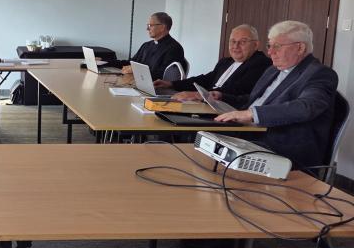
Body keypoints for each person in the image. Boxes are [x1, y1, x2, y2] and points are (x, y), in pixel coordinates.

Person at [214, 20, 338, 170]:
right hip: (249, 133)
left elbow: (306, 107)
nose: (270, 52)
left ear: (300, 48)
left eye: (277, 46)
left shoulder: (320, 74)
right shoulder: (273, 69)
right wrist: (222, 97)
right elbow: (256, 100)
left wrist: (252, 114)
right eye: (269, 46)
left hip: (281, 148)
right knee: (201, 134)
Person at [153, 24, 271, 101]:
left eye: (243, 42)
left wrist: (198, 95)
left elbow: (237, 90)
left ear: (256, 45)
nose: (236, 46)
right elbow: (205, 79)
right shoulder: (225, 61)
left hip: (226, 109)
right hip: (206, 103)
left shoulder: (261, 63)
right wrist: (172, 84)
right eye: (233, 41)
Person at [109, 12, 187, 80]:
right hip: (137, 82)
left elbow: (163, 75)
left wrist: (136, 70)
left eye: (150, 25)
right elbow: (131, 63)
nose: (147, 29)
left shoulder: (174, 48)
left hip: (156, 88)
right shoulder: (146, 45)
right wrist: (105, 62)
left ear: (162, 27)